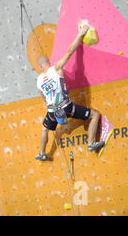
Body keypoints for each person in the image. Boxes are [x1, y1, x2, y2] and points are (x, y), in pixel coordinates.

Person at [35, 24, 104, 161]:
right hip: (66, 107)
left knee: (45, 129)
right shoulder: (57, 68)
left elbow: (43, 97)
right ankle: (90, 143)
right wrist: (81, 34)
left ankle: (42, 153)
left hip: (52, 110)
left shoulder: (39, 80)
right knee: (95, 115)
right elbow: (69, 51)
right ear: (49, 62)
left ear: (39, 67)